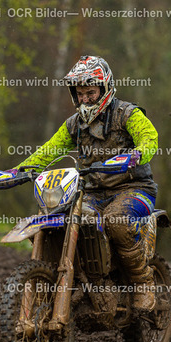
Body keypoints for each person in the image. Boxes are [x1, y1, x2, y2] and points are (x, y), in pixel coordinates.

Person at [14, 55, 159, 311]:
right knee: (59, 222)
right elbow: (49, 150)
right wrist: (19, 171)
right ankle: (77, 281)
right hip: (90, 192)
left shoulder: (127, 114)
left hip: (134, 189)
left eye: (90, 93)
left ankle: (142, 282)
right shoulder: (75, 125)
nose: (85, 99)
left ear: (105, 88)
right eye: (80, 94)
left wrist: (136, 154)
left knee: (117, 222)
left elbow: (150, 138)